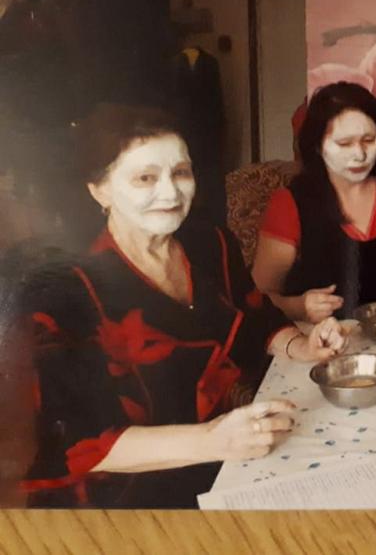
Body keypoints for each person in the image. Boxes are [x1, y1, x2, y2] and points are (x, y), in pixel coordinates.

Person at [18, 103, 347, 508]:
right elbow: (77, 443)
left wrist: (301, 346)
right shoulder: (65, 289)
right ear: (99, 189)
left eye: (180, 172)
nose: (170, 192)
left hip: (223, 461)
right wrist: (212, 440)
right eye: (145, 178)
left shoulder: (210, 244)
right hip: (121, 501)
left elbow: (253, 315)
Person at [253, 82, 376, 322]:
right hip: (316, 337)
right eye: (344, 144)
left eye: (369, 140)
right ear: (317, 146)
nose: (360, 154)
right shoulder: (290, 203)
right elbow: (258, 297)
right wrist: (298, 307)